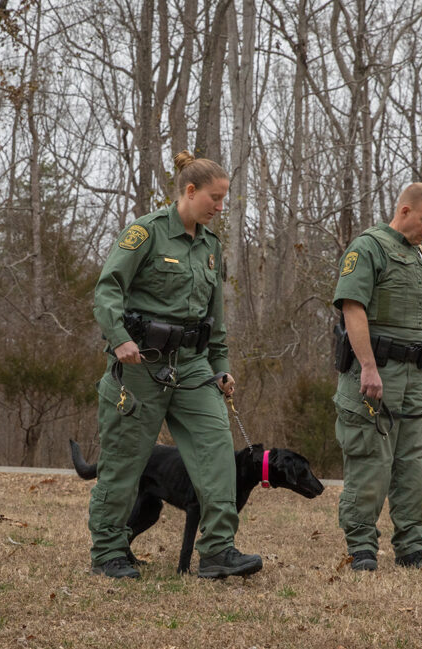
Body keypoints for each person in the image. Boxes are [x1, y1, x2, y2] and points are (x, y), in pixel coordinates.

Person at [88, 151, 262, 580]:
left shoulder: (210, 247)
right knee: (125, 460)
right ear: (190, 191)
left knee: (217, 452)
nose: (221, 207)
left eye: (225, 199)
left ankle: (218, 550)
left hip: (193, 367)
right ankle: (109, 550)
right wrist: (120, 339)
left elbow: (214, 320)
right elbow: (107, 289)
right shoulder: (145, 234)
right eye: (215, 198)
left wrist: (221, 366)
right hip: (141, 365)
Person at [333, 183, 422, 572]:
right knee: (370, 460)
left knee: (413, 462)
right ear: (405, 210)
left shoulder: (421, 260)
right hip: (375, 372)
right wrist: (367, 366)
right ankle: (361, 546)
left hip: (414, 378)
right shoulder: (369, 248)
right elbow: (353, 308)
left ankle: (412, 546)